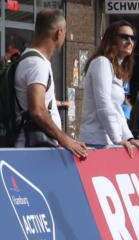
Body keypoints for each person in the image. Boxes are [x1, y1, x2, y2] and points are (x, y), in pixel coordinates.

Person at [13, 9, 87, 159]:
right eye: (65, 33)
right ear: (59, 33)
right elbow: (37, 110)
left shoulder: (29, 58)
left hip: (35, 148)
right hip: (33, 152)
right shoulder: (36, 64)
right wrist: (65, 140)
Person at [79, 21, 139, 155]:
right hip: (96, 141)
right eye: (124, 37)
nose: (129, 41)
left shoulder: (116, 67)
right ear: (111, 39)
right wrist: (117, 138)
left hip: (108, 141)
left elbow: (117, 110)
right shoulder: (102, 63)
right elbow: (103, 104)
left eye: (133, 38)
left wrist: (129, 137)